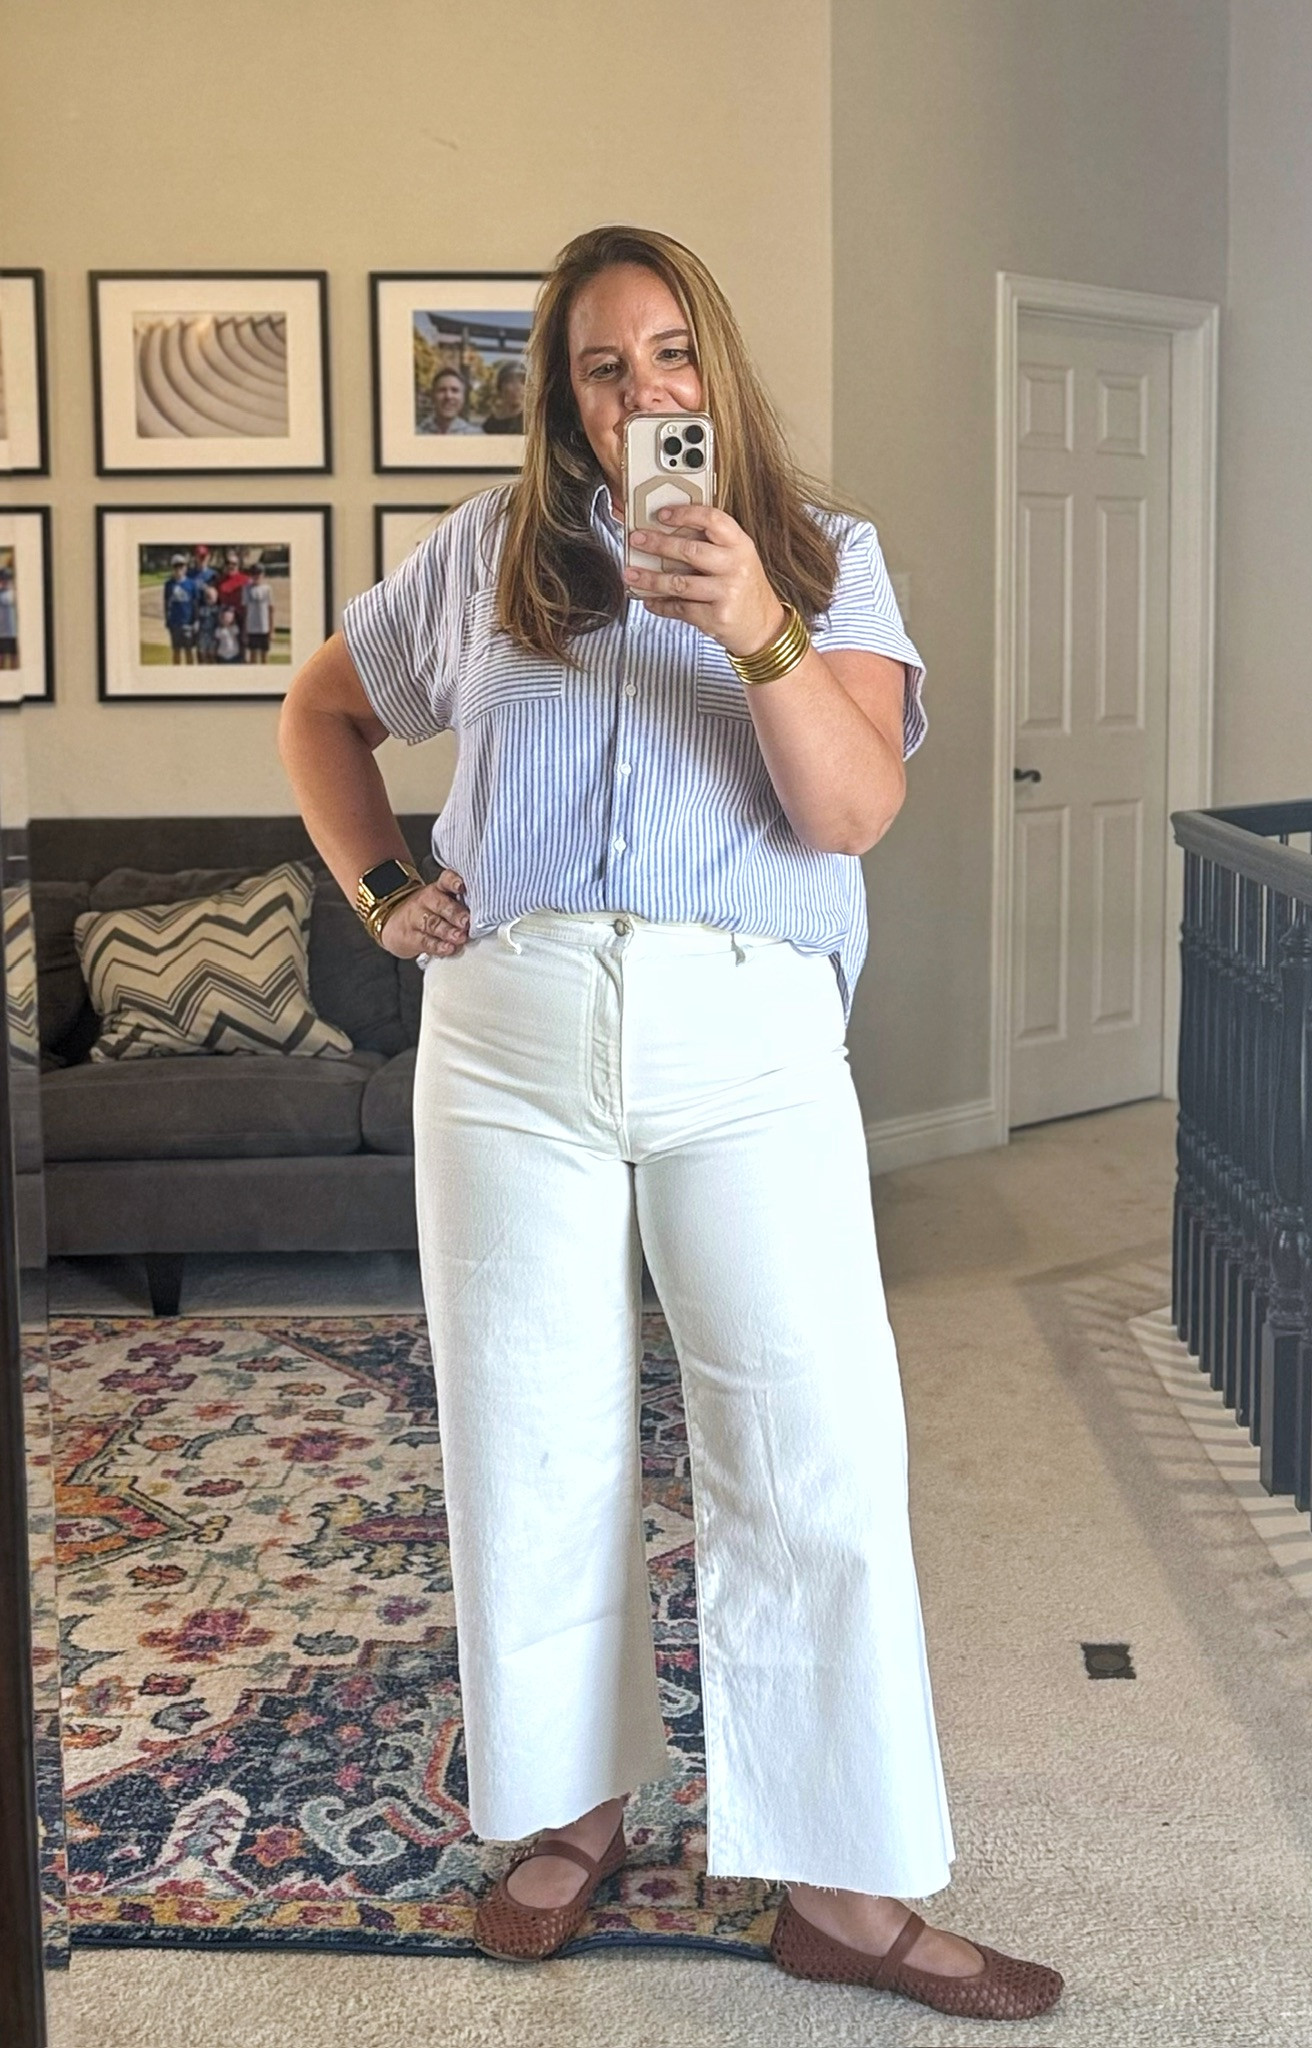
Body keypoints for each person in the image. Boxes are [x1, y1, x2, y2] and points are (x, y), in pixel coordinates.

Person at [276, 224, 1063, 2026]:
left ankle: (844, 1885)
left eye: (668, 355)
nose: (641, 392)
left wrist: (756, 625)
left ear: (717, 363)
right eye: (601, 365)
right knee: (529, 1436)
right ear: (565, 398)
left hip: (747, 1034)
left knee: (810, 1445)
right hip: (509, 1036)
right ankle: (570, 1811)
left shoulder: (824, 557)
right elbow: (321, 711)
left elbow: (850, 814)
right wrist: (384, 884)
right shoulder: (488, 553)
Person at [161, 552, 199, 666]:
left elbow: (195, 603)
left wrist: (196, 620)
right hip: (175, 623)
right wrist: (167, 620)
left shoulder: (191, 584)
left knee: (189, 651)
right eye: (176, 567)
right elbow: (166, 603)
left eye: (181, 566)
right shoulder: (169, 584)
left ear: (185, 567)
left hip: (188, 623)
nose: (179, 569)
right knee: (176, 651)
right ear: (172, 568)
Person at [418, 364, 479, 434]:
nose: (448, 396)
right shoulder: (416, 433)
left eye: (455, 390)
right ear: (432, 396)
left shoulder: (476, 435)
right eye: (442, 390)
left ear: (463, 398)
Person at [479, 357, 525, 434]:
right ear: (500, 388)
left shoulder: (534, 422)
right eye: (510, 381)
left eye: (522, 382)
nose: (518, 387)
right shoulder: (490, 425)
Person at [242, 560, 275, 663]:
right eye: (254, 573)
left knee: (264, 656)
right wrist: (245, 630)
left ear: (263, 574)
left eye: (258, 573)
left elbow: (271, 610)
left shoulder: (267, 589)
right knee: (253, 656)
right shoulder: (246, 589)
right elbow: (245, 611)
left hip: (264, 628)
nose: (256, 576)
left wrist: (272, 630)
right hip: (252, 628)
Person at [0, 561, 17, 671]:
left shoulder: (11, 593)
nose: (5, 581)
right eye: (3, 579)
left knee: (13, 658)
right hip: (2, 633)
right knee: (1, 658)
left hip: (12, 632)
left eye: (8, 579)